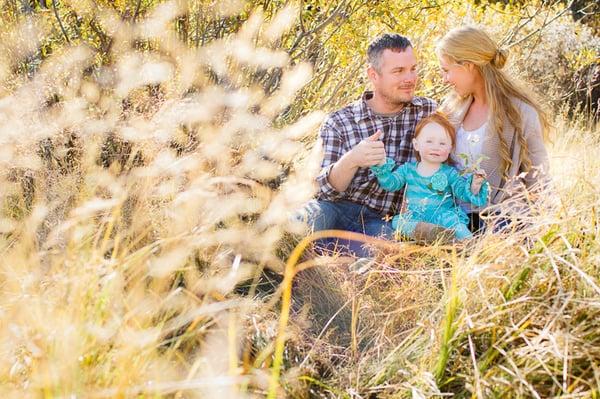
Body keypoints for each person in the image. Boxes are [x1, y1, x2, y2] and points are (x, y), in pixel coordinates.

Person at [303, 33, 437, 256]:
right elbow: (322, 191)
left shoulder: (428, 113)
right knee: (302, 222)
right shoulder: (340, 121)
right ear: (373, 75)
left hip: (381, 220)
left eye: (413, 69)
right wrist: (353, 159)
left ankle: (332, 265)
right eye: (398, 71)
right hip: (334, 208)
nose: (410, 78)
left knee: (386, 257)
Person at [436, 26, 551, 232]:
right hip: (455, 219)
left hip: (502, 218)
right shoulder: (451, 109)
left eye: (447, 70)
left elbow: (539, 178)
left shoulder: (521, 113)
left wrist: (550, 230)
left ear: (468, 65)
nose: (445, 79)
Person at [371, 112, 489, 240]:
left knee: (456, 224)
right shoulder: (408, 170)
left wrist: (475, 185)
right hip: (416, 216)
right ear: (416, 145)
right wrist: (382, 167)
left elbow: (462, 193)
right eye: (429, 141)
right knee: (397, 222)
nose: (436, 147)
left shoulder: (449, 173)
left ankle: (468, 243)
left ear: (450, 148)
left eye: (442, 144)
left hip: (443, 215)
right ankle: (427, 233)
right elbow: (390, 184)